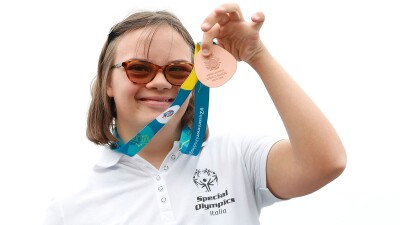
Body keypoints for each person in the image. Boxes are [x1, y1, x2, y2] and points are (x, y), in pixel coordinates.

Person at [43, 3, 346, 225]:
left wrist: (257, 56)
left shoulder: (238, 157)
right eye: (139, 69)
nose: (159, 82)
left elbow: (326, 162)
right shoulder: (69, 207)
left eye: (177, 71)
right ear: (108, 81)